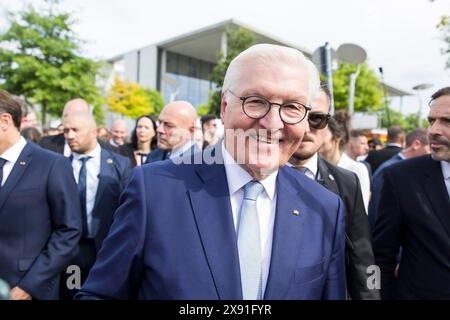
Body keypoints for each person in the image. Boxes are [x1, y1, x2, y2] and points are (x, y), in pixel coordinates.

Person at [77, 44, 346, 300]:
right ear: (225, 107)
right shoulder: (154, 191)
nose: (273, 122)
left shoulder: (324, 208)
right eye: (255, 101)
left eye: (292, 107)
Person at [289, 87, 379, 300]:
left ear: (328, 123)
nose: (305, 128)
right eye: (296, 115)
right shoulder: (257, 177)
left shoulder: (347, 182)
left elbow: (364, 258)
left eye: (316, 118)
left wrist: (372, 296)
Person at [0, 90, 81, 300]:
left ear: (5, 121)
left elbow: (68, 231)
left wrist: (29, 286)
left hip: (26, 289)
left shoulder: (52, 165)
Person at [373, 87, 450, 299]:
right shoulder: (401, 177)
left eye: (447, 121)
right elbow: (379, 255)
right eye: (431, 121)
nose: (434, 130)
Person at [60, 112, 132, 299]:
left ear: (94, 132)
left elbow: (129, 210)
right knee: (72, 292)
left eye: (75, 130)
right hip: (71, 254)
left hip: (106, 250)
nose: (69, 135)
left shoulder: (120, 165)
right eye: (66, 130)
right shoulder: (58, 166)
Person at [368, 128, 430, 227]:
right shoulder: (389, 169)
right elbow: (378, 211)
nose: (431, 153)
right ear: (416, 144)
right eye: (430, 148)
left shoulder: (407, 167)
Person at [319, 113, 371, 213]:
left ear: (337, 137)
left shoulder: (356, 169)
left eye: (323, 134)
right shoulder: (312, 167)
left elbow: (361, 211)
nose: (317, 138)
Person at [39, 99, 118, 156]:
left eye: (77, 115)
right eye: (67, 115)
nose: (71, 119)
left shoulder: (109, 151)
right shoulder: (46, 145)